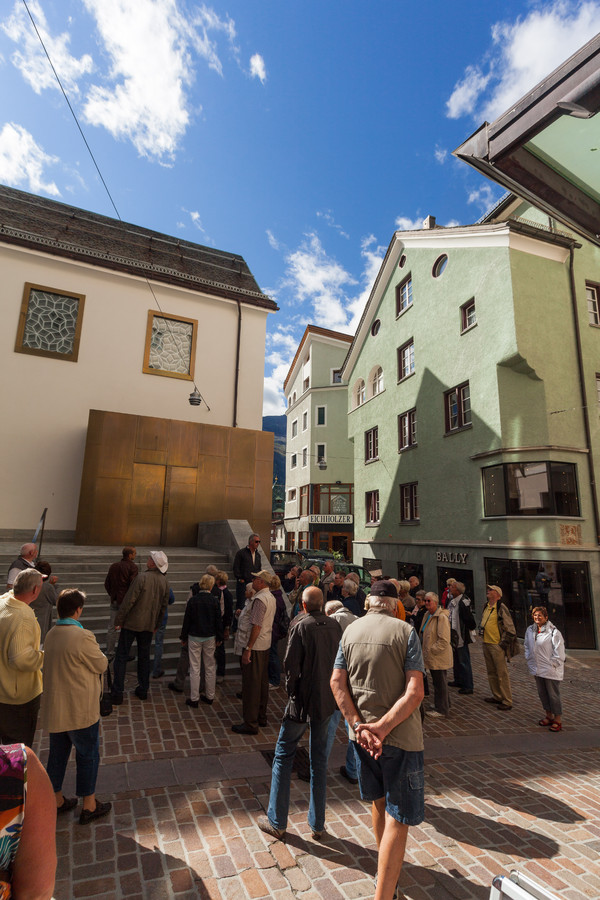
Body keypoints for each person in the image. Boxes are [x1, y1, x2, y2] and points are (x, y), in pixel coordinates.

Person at [330, 580, 425, 900]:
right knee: (398, 817)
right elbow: (416, 691)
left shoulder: (350, 631)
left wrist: (359, 726)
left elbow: (337, 683)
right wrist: (382, 728)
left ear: (369, 602)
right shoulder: (405, 632)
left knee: (378, 804)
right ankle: (384, 894)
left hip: (362, 739)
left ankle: (388, 881)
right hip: (399, 738)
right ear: (395, 604)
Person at [258, 586, 342, 841]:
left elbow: (290, 666)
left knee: (283, 755)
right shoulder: (335, 626)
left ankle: (277, 820)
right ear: (322, 604)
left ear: (304, 606)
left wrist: (291, 693)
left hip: (303, 702)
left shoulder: (301, 626)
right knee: (318, 760)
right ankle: (317, 824)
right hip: (326, 701)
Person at [41, 589, 112, 824]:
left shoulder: (51, 633)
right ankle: (89, 805)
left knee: (58, 755)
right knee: (88, 755)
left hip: (57, 708)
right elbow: (101, 664)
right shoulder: (82, 636)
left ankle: (56, 798)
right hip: (79, 708)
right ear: (78, 610)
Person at [112, 551, 170, 704]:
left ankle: (117, 692)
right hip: (149, 625)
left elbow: (129, 600)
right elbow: (163, 607)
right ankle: (143, 689)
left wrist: (119, 619)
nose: (148, 560)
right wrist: (157, 624)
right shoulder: (164, 581)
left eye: (150, 558)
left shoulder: (142, 577)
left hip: (132, 623)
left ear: (153, 564)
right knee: (144, 657)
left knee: (121, 656)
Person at [0, 743, 56, 899]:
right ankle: (88, 804)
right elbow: (37, 893)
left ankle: (59, 795)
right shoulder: (19, 768)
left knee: (60, 748)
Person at [0, 569, 44, 746]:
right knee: (18, 751)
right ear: (35, 591)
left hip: (4, 691)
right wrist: (43, 657)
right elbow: (20, 658)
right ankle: (13, 775)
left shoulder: (3, 601)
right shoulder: (23, 617)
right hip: (17, 698)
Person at [231, 571, 276, 735]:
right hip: (265, 644)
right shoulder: (270, 597)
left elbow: (256, 625)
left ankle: (250, 722)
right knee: (262, 682)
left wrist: (248, 648)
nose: (253, 580)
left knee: (251, 684)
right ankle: (261, 716)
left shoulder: (260, 599)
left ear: (262, 582)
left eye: (256, 579)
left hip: (256, 646)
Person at [324, 600, 359, 785]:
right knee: (353, 725)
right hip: (354, 679)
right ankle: (353, 769)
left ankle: (319, 767)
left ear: (330, 611)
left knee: (329, 725)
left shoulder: (331, 621)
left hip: (337, 679)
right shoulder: (357, 619)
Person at [180, 574, 223, 707]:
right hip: (209, 636)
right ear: (211, 585)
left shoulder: (193, 600)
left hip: (194, 636)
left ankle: (194, 698)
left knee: (195, 668)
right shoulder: (214, 601)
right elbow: (218, 620)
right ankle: (210, 695)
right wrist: (220, 636)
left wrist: (183, 636)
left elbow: (187, 619)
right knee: (210, 666)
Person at [524, 606, 566, 731]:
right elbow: (527, 645)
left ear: (546, 617)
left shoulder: (554, 632)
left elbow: (559, 652)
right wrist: (529, 658)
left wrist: (553, 665)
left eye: (540, 616)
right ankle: (548, 715)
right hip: (537, 668)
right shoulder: (530, 630)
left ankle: (557, 719)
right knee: (542, 693)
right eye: (535, 615)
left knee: (553, 695)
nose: (537, 618)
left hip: (550, 670)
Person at [480, 585, 517, 711]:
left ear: (497, 594)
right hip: (486, 642)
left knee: (502, 673)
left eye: (491, 590)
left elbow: (510, 629)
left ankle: (507, 700)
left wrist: (502, 645)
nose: (488, 591)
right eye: (488, 589)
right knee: (491, 672)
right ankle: (497, 695)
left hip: (496, 645)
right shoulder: (486, 606)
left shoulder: (501, 607)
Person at [420, 593, 452, 718]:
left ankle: (442, 709)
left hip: (437, 656)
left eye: (429, 601)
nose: (427, 603)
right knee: (438, 682)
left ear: (435, 602)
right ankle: (444, 704)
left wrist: (432, 650)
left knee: (440, 683)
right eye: (425, 600)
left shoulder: (441, 617)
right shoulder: (428, 614)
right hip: (430, 655)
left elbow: (444, 640)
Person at [104, 547, 138, 659]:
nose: (135, 555)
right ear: (130, 555)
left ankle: (110, 651)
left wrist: (112, 594)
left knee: (112, 627)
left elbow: (107, 583)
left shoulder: (114, 566)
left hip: (114, 599)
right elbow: (133, 585)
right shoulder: (132, 567)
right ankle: (123, 652)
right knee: (126, 627)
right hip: (125, 601)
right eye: (134, 553)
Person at [447, 581, 476, 695]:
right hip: (453, 634)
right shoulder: (452, 600)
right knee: (456, 659)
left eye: (452, 587)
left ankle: (468, 685)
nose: (450, 588)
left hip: (461, 634)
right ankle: (458, 679)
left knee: (464, 660)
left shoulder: (463, 601)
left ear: (457, 590)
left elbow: (469, 619)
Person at [268, 575, 289, 689]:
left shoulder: (274, 598)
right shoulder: (279, 596)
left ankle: (274, 680)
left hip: (273, 630)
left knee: (272, 655)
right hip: (275, 630)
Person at [233, 534, 263, 613]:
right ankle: (237, 623)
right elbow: (236, 567)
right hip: (243, 583)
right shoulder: (241, 553)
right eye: (256, 541)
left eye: (259, 542)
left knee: (251, 604)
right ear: (251, 542)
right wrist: (240, 578)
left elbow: (259, 568)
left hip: (253, 583)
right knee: (241, 604)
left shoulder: (257, 555)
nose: (258, 543)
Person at [215, 571, 234, 683]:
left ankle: (221, 672)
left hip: (222, 625)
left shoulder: (226, 594)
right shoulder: (221, 592)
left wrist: (227, 627)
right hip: (219, 625)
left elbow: (228, 613)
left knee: (220, 650)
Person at [32, 560, 58, 643]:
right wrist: (53, 586)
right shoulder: (48, 587)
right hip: (41, 624)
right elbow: (56, 600)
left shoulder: (28, 583)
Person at [152, 587, 175, 679]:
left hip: (148, 617)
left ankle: (144, 669)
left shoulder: (149, 583)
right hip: (161, 618)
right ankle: (156, 670)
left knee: (144, 644)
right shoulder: (166, 586)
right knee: (158, 643)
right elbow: (171, 600)